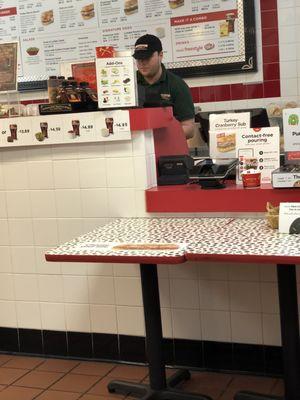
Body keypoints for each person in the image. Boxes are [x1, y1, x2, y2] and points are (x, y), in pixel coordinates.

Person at [132, 34, 195, 139]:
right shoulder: (129, 84)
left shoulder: (177, 85)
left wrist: (157, 137)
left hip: (169, 150)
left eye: (147, 57)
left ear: (160, 55)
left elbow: (189, 129)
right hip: (137, 149)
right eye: (138, 59)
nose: (142, 63)